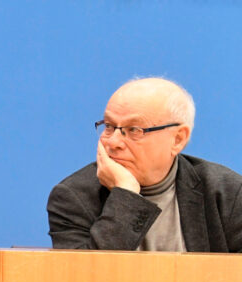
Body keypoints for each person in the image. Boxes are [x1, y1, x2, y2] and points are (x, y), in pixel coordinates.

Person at [47, 77, 242, 252]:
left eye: (134, 130)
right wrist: (126, 195)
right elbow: (86, 275)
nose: (113, 142)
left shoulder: (227, 194)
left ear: (178, 139)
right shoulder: (73, 197)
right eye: (109, 126)